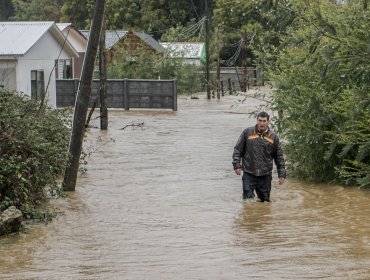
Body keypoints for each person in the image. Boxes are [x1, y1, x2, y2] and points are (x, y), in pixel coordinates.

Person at [232, 111, 286, 202]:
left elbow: (278, 156)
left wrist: (282, 173)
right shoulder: (247, 132)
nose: (262, 123)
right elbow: (238, 150)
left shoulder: (273, 136)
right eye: (260, 120)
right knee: (247, 201)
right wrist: (236, 165)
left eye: (264, 121)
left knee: (264, 202)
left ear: (268, 122)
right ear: (257, 120)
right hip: (249, 173)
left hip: (265, 175)